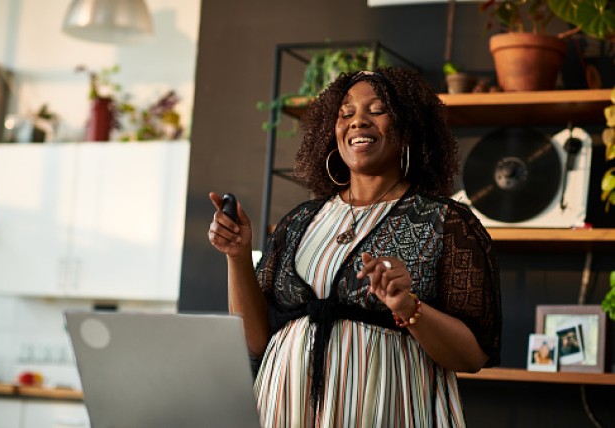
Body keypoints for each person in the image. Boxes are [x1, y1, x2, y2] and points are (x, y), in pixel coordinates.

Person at [208, 67, 501, 427]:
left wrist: (407, 306)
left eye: (376, 110)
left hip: (386, 409)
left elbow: (471, 357)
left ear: (408, 127)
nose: (358, 122)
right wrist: (237, 256)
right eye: (346, 113)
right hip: (284, 406)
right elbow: (255, 341)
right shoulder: (300, 222)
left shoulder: (445, 222)